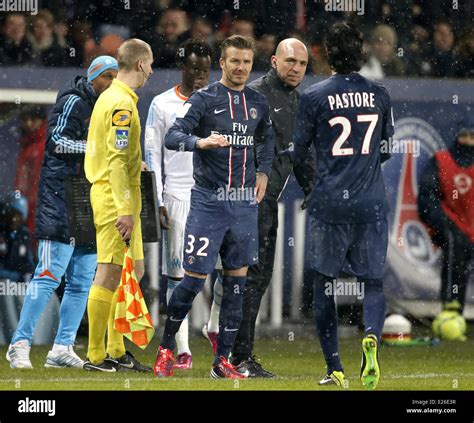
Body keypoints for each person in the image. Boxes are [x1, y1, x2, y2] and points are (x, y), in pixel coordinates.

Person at [153, 35, 274, 379]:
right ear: (222, 63)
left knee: (236, 285)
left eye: (247, 62)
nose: (241, 68)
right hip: (208, 205)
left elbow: (267, 140)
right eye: (234, 61)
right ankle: (165, 350)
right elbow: (172, 136)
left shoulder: (257, 102)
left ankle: (223, 362)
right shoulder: (204, 99)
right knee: (192, 282)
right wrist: (200, 142)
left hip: (243, 207)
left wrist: (263, 171)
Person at [292, 22, 394, 390]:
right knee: (373, 282)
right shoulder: (380, 93)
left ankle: (335, 368)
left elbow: (299, 153)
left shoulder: (314, 96)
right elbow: (387, 149)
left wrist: (313, 188)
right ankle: (371, 335)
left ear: (326, 53)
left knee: (325, 285)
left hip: (330, 203)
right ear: (362, 53)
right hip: (370, 202)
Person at [6, 56, 119, 369]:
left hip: (88, 199)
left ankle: (62, 347)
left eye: (115, 77)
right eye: (107, 77)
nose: (111, 83)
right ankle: (19, 344)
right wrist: (97, 150)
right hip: (60, 198)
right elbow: (56, 142)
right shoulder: (73, 101)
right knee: (47, 275)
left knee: (82, 281)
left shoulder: (108, 107)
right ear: (94, 76)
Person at [226, 38, 314, 377]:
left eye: (302, 64)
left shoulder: (300, 103)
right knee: (240, 279)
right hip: (244, 202)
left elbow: (302, 156)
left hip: (266, 204)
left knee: (253, 279)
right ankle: (232, 355)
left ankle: (235, 353)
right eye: (290, 61)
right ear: (274, 60)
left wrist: (316, 192)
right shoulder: (256, 96)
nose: (295, 68)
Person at [144, 38, 216, 370]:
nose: (200, 74)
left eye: (205, 69)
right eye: (194, 68)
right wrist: (157, 199)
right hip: (177, 196)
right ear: (182, 67)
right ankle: (182, 348)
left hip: (214, 197)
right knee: (179, 275)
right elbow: (152, 155)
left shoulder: (220, 102)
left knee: (226, 272)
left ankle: (213, 326)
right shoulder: (161, 104)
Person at [83, 39, 153, 372]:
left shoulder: (111, 97)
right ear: (140, 64)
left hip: (123, 193)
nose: (152, 70)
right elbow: (113, 158)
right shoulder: (122, 104)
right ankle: (95, 355)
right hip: (115, 198)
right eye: (150, 64)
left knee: (133, 271)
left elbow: (117, 153)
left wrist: (133, 163)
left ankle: (115, 347)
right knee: (109, 272)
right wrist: (125, 208)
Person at [418, 128, 474, 315]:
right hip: (451, 224)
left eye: (472, 137)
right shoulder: (441, 161)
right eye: (463, 136)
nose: (467, 141)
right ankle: (451, 309)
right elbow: (427, 198)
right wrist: (447, 224)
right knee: (455, 246)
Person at [15, 107, 47, 235]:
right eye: (25, 119)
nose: (28, 123)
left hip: (38, 203)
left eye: (33, 119)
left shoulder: (43, 144)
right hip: (27, 203)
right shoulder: (27, 143)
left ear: (42, 121)